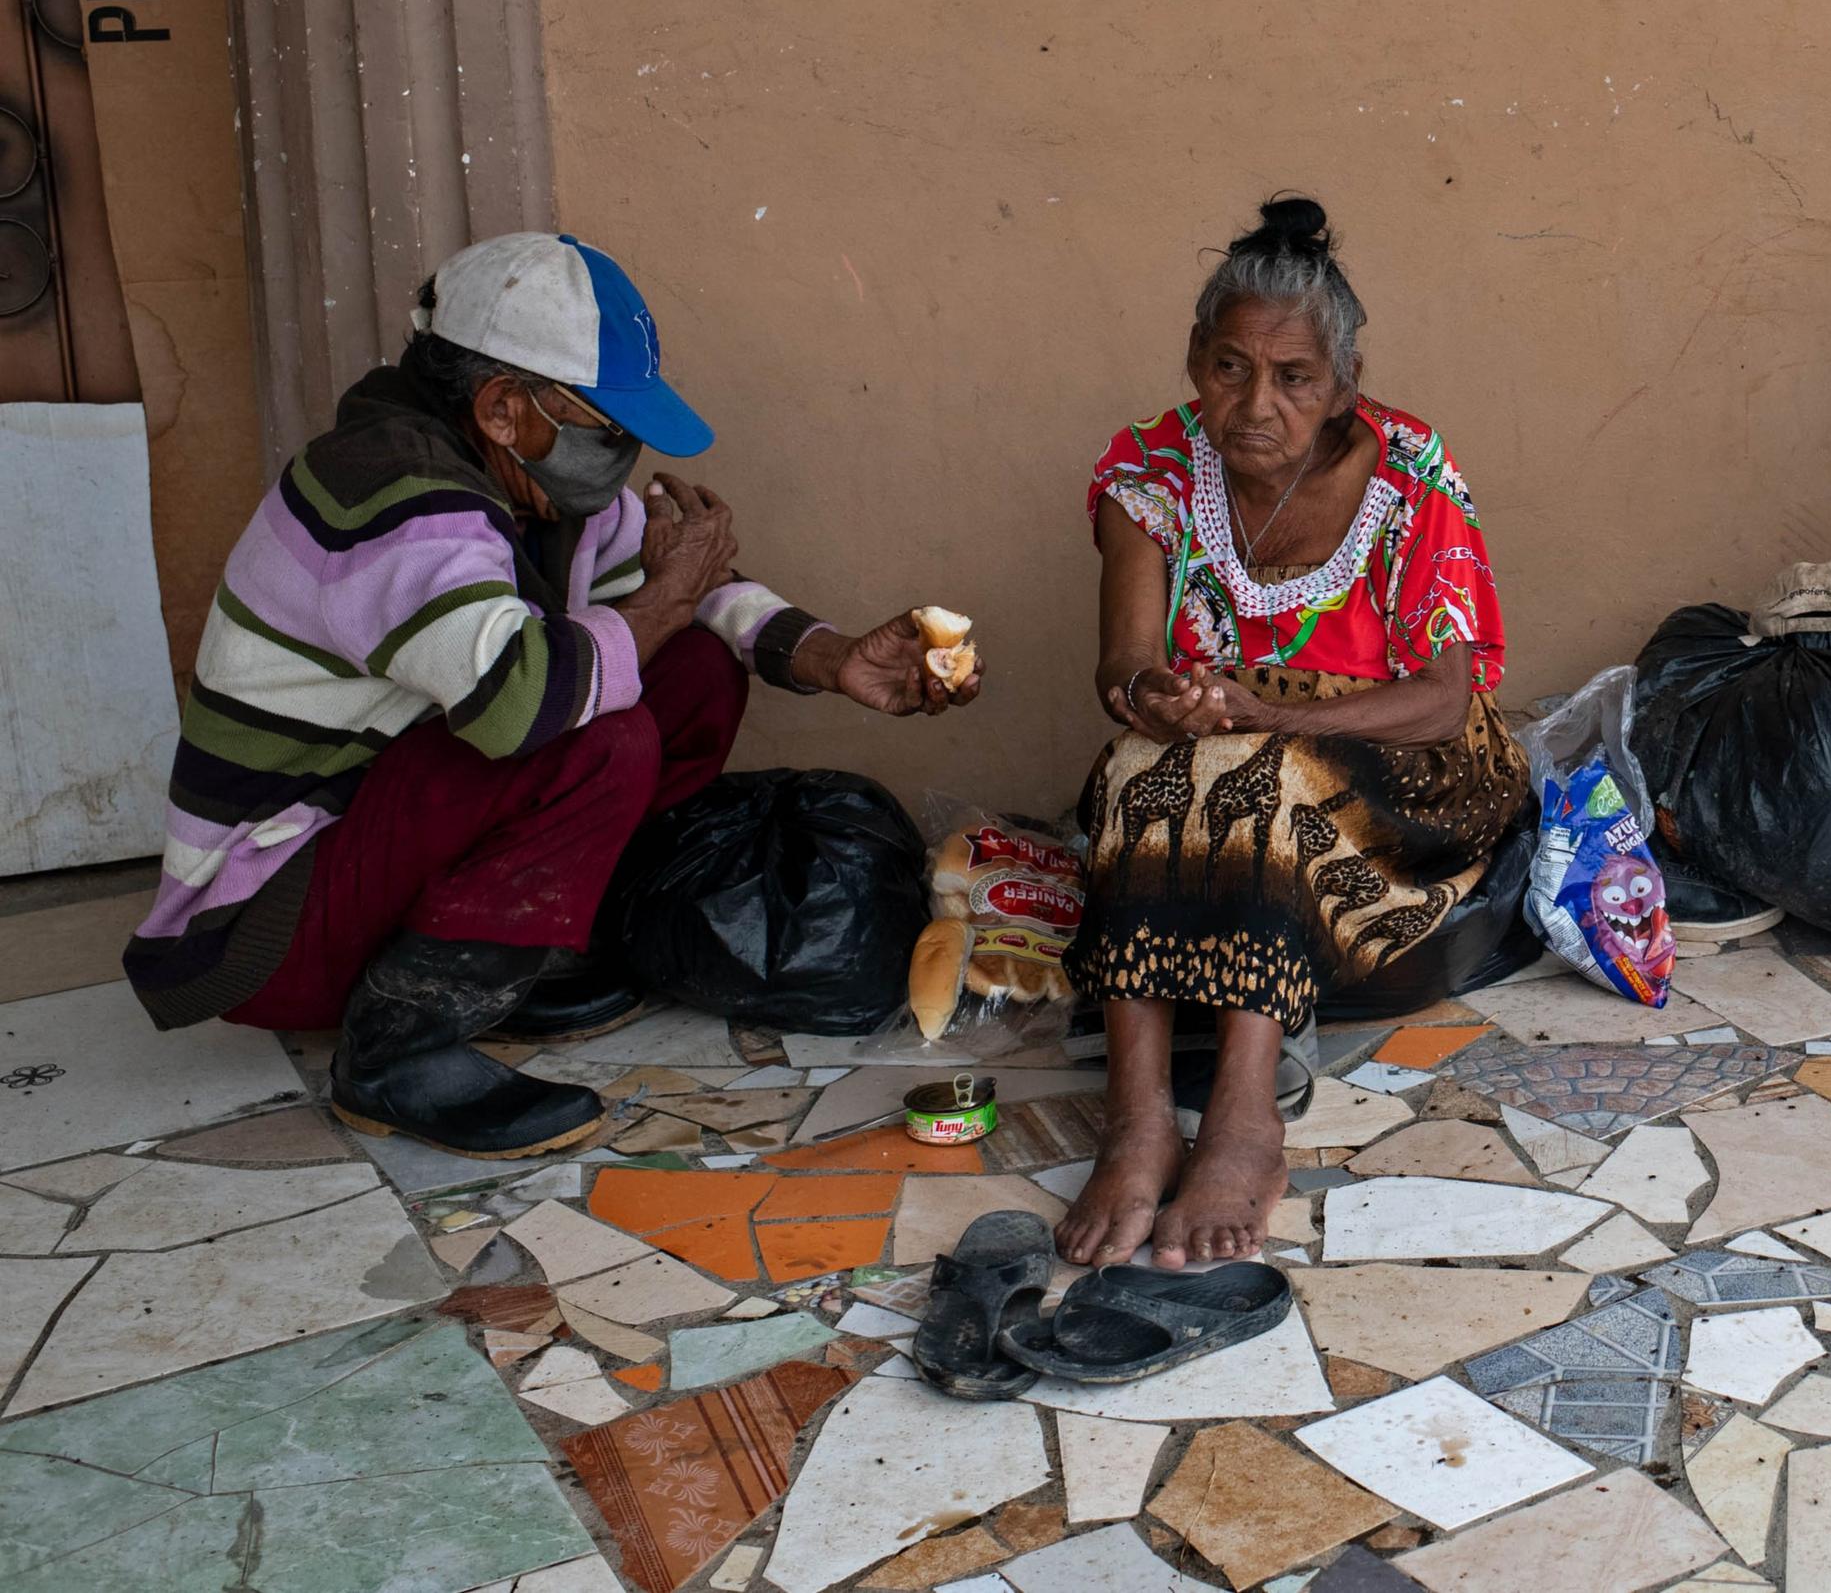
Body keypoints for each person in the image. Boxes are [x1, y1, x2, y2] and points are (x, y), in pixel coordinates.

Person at [121, 233, 981, 1158]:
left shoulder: (527, 483)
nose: (622, 453)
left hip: (362, 848)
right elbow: (518, 702)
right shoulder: (398, 493)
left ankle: (528, 953)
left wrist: (831, 654)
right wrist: (667, 593)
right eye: (606, 425)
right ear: (502, 409)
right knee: (591, 740)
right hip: (265, 926)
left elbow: (690, 604)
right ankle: (395, 1048)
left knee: (689, 668)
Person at [1058, 197, 1527, 1269]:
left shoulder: (1411, 475)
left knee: (1259, 779)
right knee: (1142, 768)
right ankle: (1134, 1126)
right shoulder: (1151, 474)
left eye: (1293, 378)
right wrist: (1154, 697)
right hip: (1225, 736)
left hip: (1411, 767)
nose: (1254, 404)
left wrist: (1274, 714)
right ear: (1193, 362)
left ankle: (1241, 1124)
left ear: (1343, 385)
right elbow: (1119, 666)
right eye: (1228, 368)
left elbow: (1444, 697)